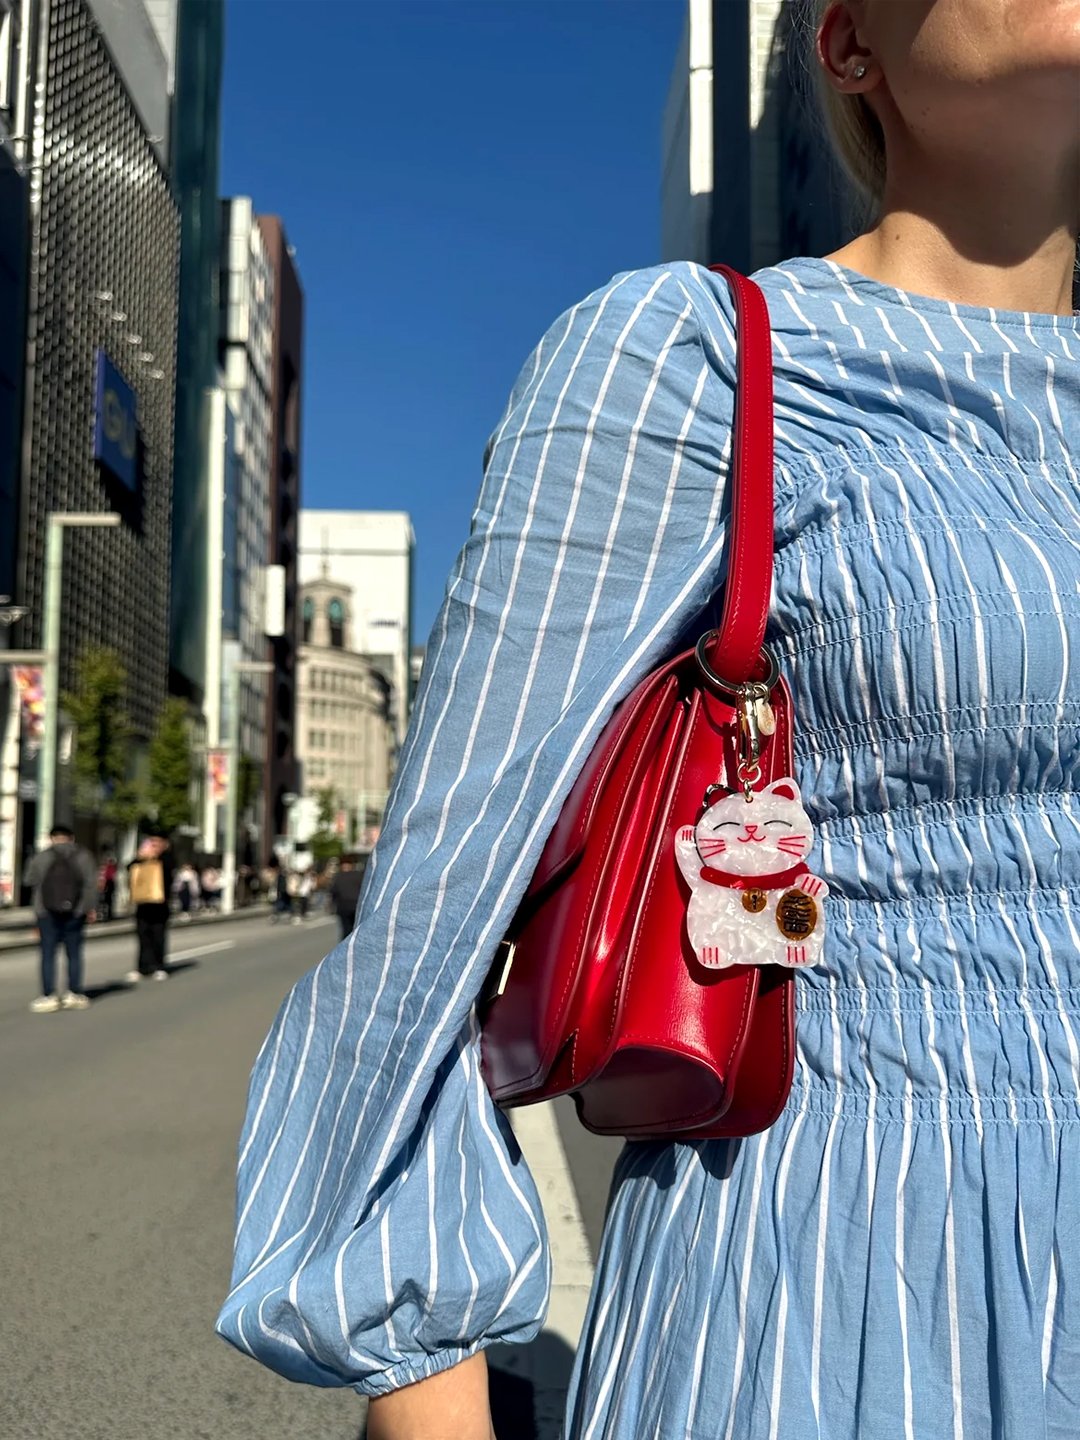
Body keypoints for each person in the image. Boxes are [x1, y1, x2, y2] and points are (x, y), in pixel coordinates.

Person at [217, 3, 1080, 1435]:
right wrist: (422, 1385)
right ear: (850, 46)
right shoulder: (701, 363)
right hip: (839, 1276)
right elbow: (430, 927)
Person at [25, 824, 97, 1013]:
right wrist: (87, 908)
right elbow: (91, 884)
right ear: (71, 837)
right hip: (76, 912)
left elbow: (29, 880)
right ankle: (74, 992)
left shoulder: (42, 856)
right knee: (74, 953)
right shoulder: (84, 856)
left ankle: (49, 995)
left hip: (46, 912)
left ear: (51, 838)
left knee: (48, 953)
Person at [126, 834, 175, 983]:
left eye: (157, 842)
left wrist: (155, 857)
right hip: (143, 904)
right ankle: (142, 967)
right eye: (151, 842)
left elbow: (168, 873)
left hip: (160, 905)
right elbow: (129, 868)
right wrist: (141, 857)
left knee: (158, 936)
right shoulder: (141, 859)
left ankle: (159, 966)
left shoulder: (167, 859)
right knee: (143, 936)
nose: (154, 845)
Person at [329, 853, 365, 942]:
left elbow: (333, 892)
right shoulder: (359, 875)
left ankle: (345, 950)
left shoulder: (338, 876)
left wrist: (332, 905)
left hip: (343, 906)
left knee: (346, 930)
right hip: (357, 905)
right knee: (357, 929)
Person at [97, 853, 118, 923]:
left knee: (107, 902)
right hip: (107, 886)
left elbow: (108, 877)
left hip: (108, 885)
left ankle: (106, 915)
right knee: (106, 902)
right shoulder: (106, 868)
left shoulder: (108, 868)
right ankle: (106, 915)